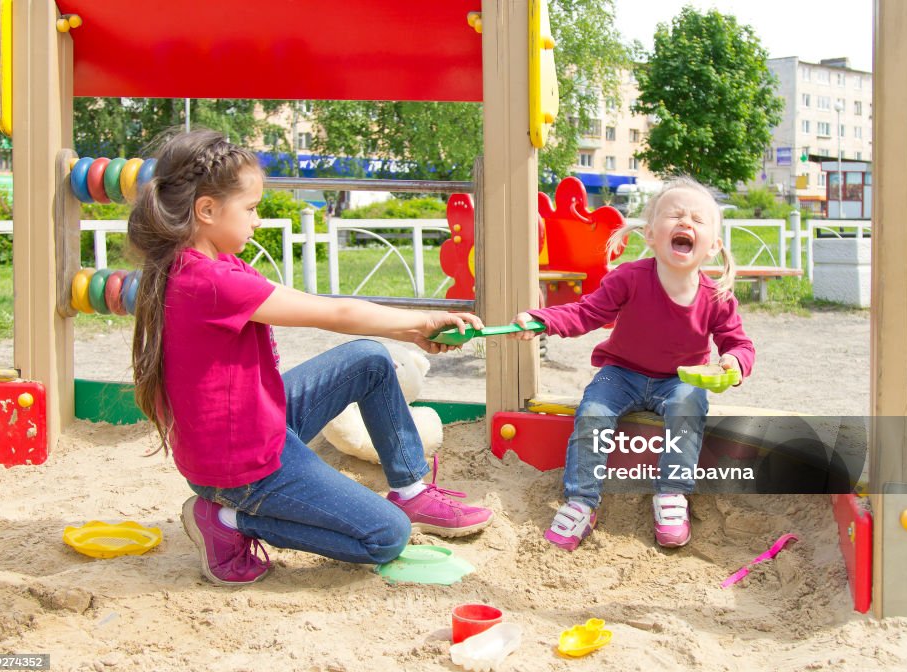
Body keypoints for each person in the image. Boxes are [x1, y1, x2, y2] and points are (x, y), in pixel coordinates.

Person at [128, 129, 493, 586]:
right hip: (241, 468)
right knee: (386, 537)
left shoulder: (214, 264)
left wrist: (412, 329)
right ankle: (227, 521)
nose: (257, 220)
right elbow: (332, 312)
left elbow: (316, 304)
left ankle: (410, 488)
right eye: (251, 208)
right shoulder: (209, 282)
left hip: (254, 426)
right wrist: (421, 322)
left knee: (370, 360)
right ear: (206, 210)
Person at [509, 177, 754, 551]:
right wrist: (544, 320)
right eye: (674, 215)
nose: (685, 222)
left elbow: (738, 343)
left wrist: (733, 362)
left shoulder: (716, 296)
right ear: (651, 235)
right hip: (621, 373)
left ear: (713, 246)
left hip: (679, 379)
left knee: (690, 404)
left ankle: (672, 496)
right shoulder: (629, 278)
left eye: (697, 219)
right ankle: (581, 502)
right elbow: (587, 312)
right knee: (592, 411)